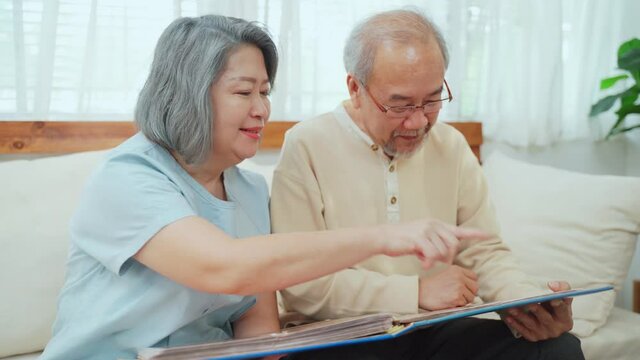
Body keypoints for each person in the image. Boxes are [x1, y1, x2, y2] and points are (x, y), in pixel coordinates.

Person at [39, 15, 486, 360]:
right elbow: (226, 268)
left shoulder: (249, 191)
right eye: (243, 93)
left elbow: (258, 330)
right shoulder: (128, 178)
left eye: (265, 92)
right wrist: (387, 237)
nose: (262, 110)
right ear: (188, 94)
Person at [271, 8, 585, 360]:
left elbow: (483, 251)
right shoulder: (306, 145)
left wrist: (527, 303)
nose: (418, 121)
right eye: (400, 105)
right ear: (355, 88)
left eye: (433, 99)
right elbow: (300, 284)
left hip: (434, 328)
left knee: (557, 349)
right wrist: (415, 292)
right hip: (341, 335)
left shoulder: (450, 145)